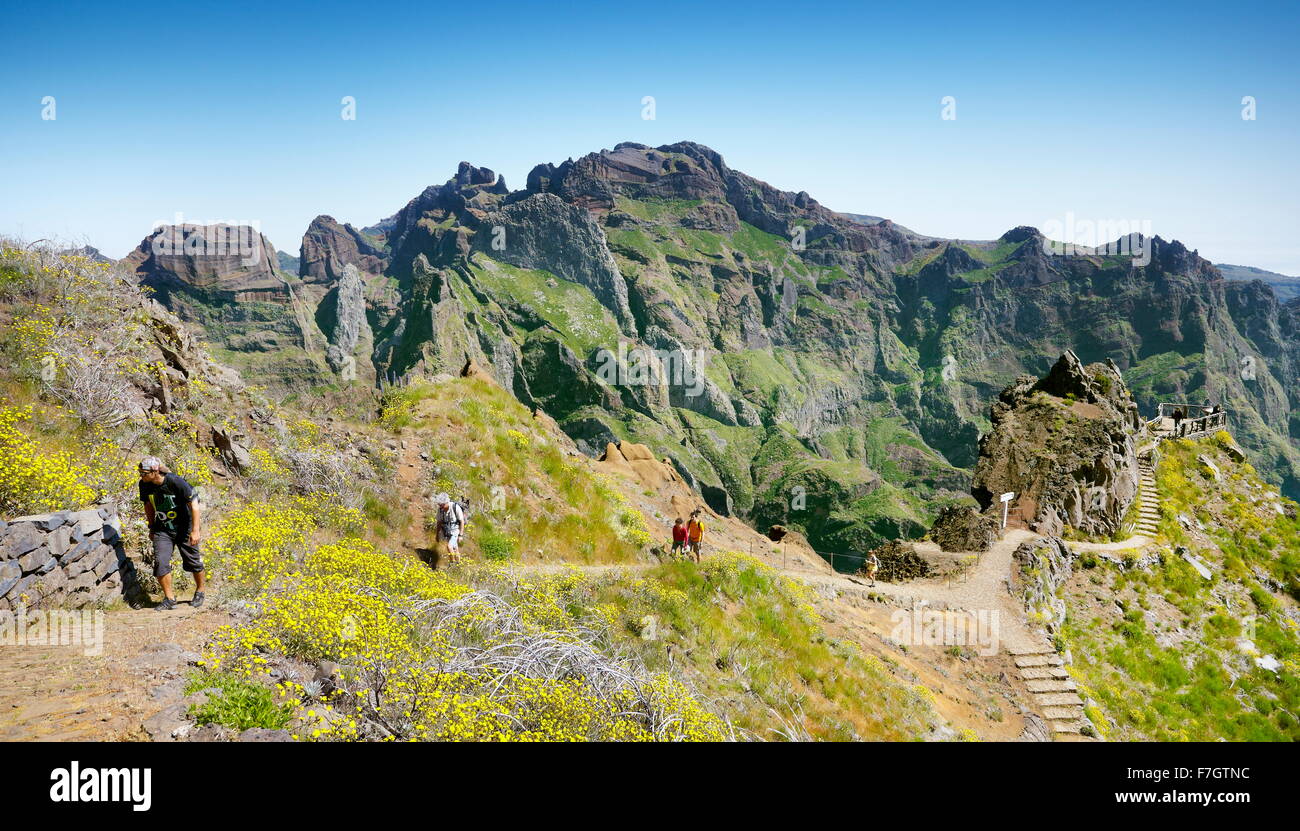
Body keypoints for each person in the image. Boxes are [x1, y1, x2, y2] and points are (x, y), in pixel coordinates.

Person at [138, 456, 204, 611]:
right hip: (163, 529)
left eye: (144, 473)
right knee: (160, 562)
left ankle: (200, 590)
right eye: (140, 473)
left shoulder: (175, 482)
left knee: (193, 561)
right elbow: (148, 505)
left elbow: (194, 505)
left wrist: (195, 530)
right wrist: (152, 527)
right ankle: (170, 599)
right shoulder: (144, 484)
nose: (141, 476)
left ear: (155, 471)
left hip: (184, 528)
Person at [434, 493, 466, 563]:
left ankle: (452, 563)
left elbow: (462, 521)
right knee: (455, 549)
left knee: (449, 546)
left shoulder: (455, 507)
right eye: (439, 505)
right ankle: (458, 564)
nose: (441, 507)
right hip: (446, 531)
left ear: (446, 502)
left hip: (455, 530)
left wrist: (460, 535)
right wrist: (437, 535)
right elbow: (439, 522)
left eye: (442, 505)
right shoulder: (440, 510)